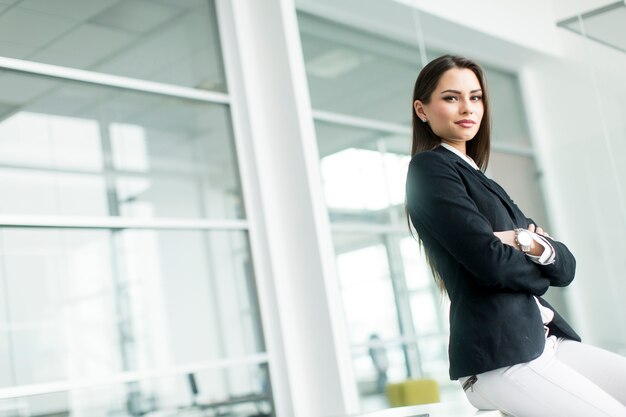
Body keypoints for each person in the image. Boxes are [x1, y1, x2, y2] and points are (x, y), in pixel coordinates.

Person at [404, 54, 626, 417]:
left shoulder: (483, 180)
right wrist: (531, 253)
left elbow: (565, 268)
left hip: (545, 339)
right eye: (451, 97)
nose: (467, 107)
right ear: (422, 109)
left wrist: (523, 241)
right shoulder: (429, 168)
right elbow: (491, 264)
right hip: (503, 353)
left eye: (475, 97)